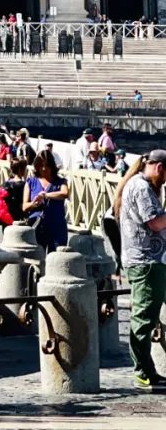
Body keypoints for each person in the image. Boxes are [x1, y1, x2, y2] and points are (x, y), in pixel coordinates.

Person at [115, 149, 166, 391]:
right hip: (146, 261)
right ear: (159, 168)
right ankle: (142, 371)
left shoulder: (135, 183)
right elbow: (155, 222)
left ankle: (148, 369)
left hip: (146, 259)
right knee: (144, 318)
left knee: (147, 315)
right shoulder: (142, 187)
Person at [24, 148, 70, 252]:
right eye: (41, 166)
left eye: (47, 166)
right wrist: (35, 203)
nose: (44, 169)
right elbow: (25, 206)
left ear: (52, 166)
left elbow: (65, 193)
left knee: (56, 258)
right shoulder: (31, 182)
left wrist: (45, 195)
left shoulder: (61, 181)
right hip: (37, 226)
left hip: (57, 226)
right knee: (37, 259)